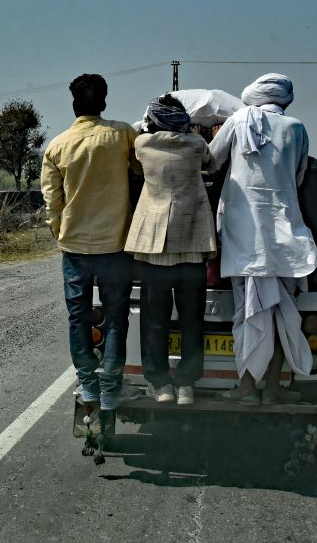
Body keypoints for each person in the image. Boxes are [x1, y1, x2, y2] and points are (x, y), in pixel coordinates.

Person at [207, 73, 317, 405]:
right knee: (282, 312)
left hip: (243, 237)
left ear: (254, 96)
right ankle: (271, 389)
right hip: (285, 235)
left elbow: (211, 162)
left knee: (249, 313)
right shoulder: (297, 128)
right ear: (284, 100)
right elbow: (299, 177)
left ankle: (244, 388)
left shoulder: (238, 120)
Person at [41, 74, 141, 411]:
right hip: (116, 245)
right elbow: (143, 171)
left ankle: (88, 385)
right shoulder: (123, 134)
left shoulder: (56, 146)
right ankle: (112, 389)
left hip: (75, 248)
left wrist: (61, 232)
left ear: (74, 105)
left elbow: (52, 203)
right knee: (115, 319)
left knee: (78, 318)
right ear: (104, 103)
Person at [124, 95, 217, 406]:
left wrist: (147, 123)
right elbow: (212, 164)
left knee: (155, 318)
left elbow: (137, 138)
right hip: (191, 241)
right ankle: (187, 384)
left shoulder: (143, 145)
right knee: (192, 317)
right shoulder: (196, 145)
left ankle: (161, 383)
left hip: (154, 245)